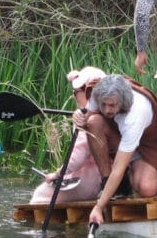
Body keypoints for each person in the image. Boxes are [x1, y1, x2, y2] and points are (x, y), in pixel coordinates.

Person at [79, 74, 157, 227]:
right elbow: (87, 113)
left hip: (148, 142)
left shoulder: (136, 114)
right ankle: (109, 183)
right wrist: (79, 117)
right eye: (103, 104)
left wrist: (98, 207)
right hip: (118, 132)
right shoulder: (98, 91)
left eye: (112, 105)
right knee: (93, 122)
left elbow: (117, 170)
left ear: (123, 102)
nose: (107, 110)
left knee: (147, 188)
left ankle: (131, 171)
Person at [31, 67, 106, 204]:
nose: (73, 96)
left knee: (40, 195)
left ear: (88, 92)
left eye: (76, 92)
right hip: (105, 178)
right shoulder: (110, 111)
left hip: (92, 181)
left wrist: (57, 174)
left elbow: (78, 156)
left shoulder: (87, 120)